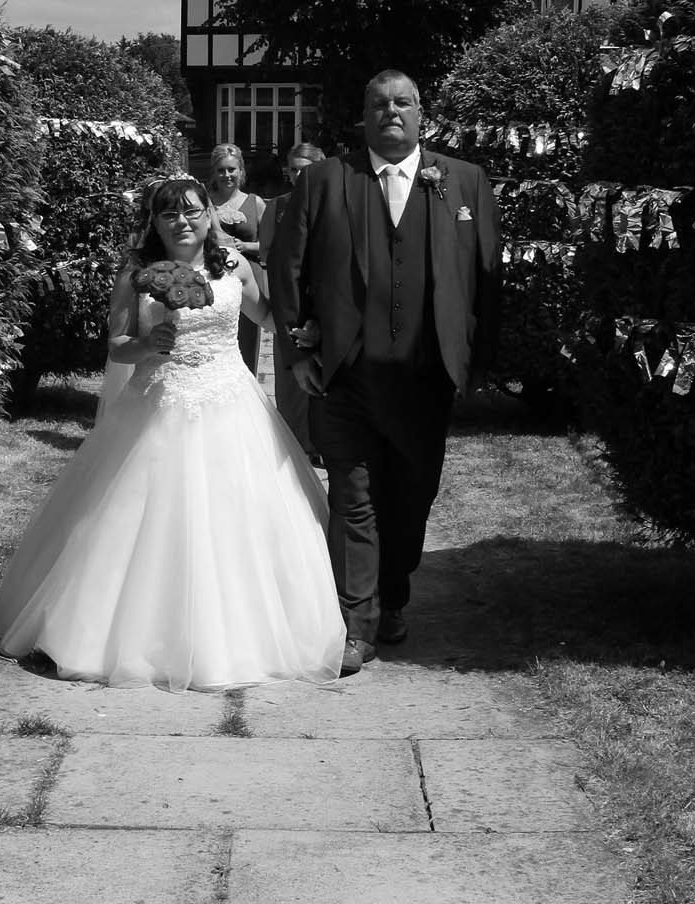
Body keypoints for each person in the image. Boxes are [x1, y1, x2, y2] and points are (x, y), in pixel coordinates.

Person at [0, 177, 345, 691]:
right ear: (154, 222)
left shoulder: (233, 265)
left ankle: (241, 635)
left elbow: (265, 315)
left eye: (192, 211)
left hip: (231, 401)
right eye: (169, 214)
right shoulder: (136, 274)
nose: (182, 222)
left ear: (209, 216)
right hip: (157, 403)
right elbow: (118, 345)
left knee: (242, 514)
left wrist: (306, 328)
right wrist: (149, 342)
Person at [268, 70, 501, 676]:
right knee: (353, 499)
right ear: (363, 115)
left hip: (425, 380)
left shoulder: (465, 180)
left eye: (402, 103)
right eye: (379, 103)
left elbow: (487, 278)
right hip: (344, 378)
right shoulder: (324, 180)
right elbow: (287, 270)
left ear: (422, 114)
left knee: (411, 499)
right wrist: (298, 355)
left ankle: (392, 595)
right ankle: (357, 623)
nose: (391, 112)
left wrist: (478, 362)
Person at [258, 142, 327, 462]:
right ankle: (296, 445)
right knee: (290, 376)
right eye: (294, 169)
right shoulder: (278, 206)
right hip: (290, 301)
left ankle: (324, 442)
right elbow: (267, 253)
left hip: (326, 300)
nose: (298, 175)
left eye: (305, 169)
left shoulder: (334, 202)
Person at [207, 143, 266, 373]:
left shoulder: (256, 203)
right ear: (214, 173)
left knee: (246, 339)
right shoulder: (204, 202)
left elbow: (272, 245)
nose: (227, 175)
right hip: (214, 275)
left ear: (241, 170)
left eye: (231, 169)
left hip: (249, 277)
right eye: (221, 170)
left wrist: (246, 246)